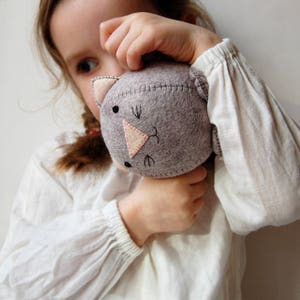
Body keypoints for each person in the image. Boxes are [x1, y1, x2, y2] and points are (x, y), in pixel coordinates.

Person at [0, 0, 299, 299]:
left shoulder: (224, 141)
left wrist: (205, 47)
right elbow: (17, 287)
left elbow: (285, 197)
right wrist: (132, 221)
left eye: (134, 40)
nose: (117, 74)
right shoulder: (57, 162)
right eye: (86, 66)